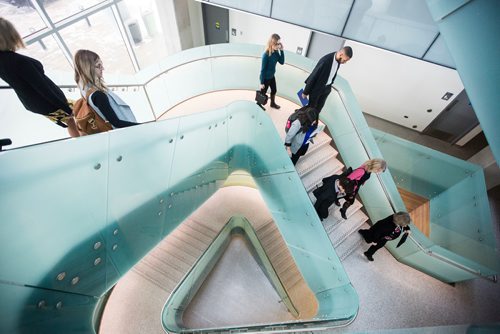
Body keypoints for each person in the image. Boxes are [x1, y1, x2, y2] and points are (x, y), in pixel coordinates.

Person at [0, 17, 79, 137]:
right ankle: (83, 141)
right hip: (47, 101)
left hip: (33, 102)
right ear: (9, 36)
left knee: (74, 116)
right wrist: (67, 109)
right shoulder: (20, 62)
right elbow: (43, 89)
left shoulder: (3, 61)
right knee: (73, 118)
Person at [73, 49, 138, 133]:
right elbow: (116, 123)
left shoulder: (85, 89)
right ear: (88, 68)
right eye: (98, 65)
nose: (102, 68)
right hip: (124, 132)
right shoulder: (98, 95)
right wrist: (143, 126)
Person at [301, 46, 353, 113]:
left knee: (318, 109)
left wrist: (330, 86)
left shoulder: (338, 61)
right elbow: (313, 76)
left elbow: (333, 73)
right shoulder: (325, 61)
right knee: (311, 110)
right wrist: (305, 92)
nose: (345, 62)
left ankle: (313, 122)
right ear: (341, 54)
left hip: (326, 89)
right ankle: (304, 122)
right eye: (345, 60)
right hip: (317, 90)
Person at [260, 33, 285, 109]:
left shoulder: (276, 52)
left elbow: (282, 62)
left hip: (272, 76)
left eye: (279, 43)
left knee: (274, 90)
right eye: (277, 44)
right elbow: (263, 70)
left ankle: (272, 103)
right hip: (266, 78)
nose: (279, 45)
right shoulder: (266, 55)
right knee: (262, 94)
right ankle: (259, 105)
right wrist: (261, 83)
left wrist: (282, 51)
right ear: (272, 43)